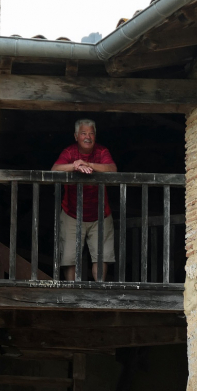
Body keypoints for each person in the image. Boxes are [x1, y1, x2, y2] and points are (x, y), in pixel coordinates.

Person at [52, 119, 117, 282]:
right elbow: (55, 169)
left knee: (101, 257)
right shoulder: (69, 152)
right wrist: (75, 166)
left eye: (91, 133)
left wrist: (88, 164)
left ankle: (100, 292)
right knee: (69, 258)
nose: (88, 137)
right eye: (83, 133)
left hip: (100, 214)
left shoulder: (102, 151)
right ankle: (71, 294)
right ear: (76, 136)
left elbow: (112, 169)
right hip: (71, 213)